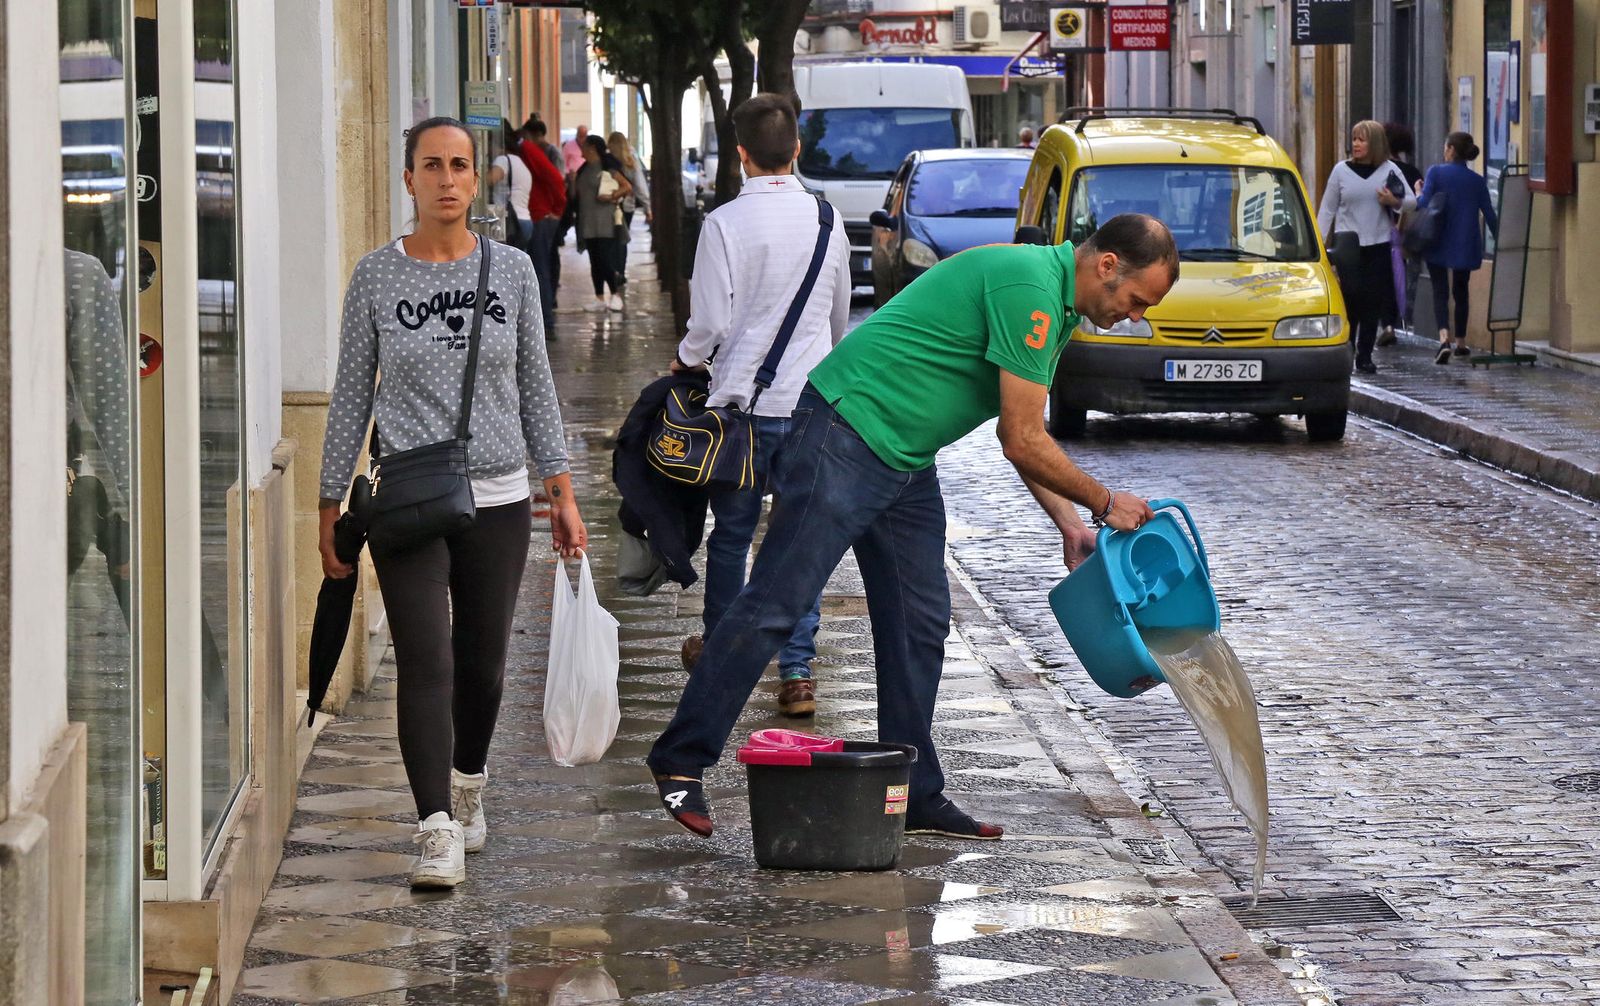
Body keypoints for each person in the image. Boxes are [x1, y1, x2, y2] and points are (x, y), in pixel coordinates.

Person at [647, 213, 1177, 841]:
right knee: (774, 607)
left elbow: (1022, 425)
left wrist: (1068, 523)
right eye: (1137, 301)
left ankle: (913, 791)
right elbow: (1022, 439)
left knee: (919, 622)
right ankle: (680, 757)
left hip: (902, 458)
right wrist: (1104, 500)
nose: (1136, 316)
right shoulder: (1031, 291)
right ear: (1108, 265)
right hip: (844, 437)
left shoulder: (1055, 302)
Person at [319, 116, 588, 889]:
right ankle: (433, 822)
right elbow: (348, 400)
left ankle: (470, 783)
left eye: (459, 166)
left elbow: (535, 386)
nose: (445, 179)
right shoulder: (375, 276)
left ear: (478, 180)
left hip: (500, 496)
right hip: (406, 497)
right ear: (408, 180)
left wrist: (560, 492)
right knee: (425, 661)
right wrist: (328, 504)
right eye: (430, 165)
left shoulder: (509, 273)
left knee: (486, 665)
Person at [672, 93, 852, 717]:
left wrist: (688, 357)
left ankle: (725, 651)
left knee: (732, 535)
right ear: (796, 148)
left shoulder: (723, 224)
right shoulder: (829, 223)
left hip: (742, 408)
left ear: (740, 154)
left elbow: (711, 321)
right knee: (800, 539)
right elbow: (836, 320)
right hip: (809, 407)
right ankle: (798, 672)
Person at [1317, 119, 1416, 374]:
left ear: (1375, 144)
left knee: (1372, 302)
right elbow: (1327, 210)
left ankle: (1365, 355)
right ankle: (1346, 351)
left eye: (1362, 140)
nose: (1356, 144)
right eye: (1354, 139)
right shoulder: (1341, 170)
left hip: (1378, 243)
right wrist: (1317, 244)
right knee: (1350, 300)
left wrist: (1392, 199)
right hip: (1347, 245)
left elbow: (1412, 202)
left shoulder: (1388, 169)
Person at [1417, 131, 1498, 364]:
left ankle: (1444, 339)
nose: (1444, 152)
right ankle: (1461, 342)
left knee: (1440, 291)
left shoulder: (1436, 172)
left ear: (1451, 149)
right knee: (1461, 292)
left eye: (1446, 148)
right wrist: (1502, 241)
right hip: (1465, 242)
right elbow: (1490, 215)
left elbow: (1422, 204)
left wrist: (1418, 190)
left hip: (1438, 239)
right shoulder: (1477, 180)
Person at [514, 120, 567, 338]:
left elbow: (554, 177)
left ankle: (546, 323)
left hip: (539, 216)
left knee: (540, 270)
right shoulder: (525, 149)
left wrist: (557, 208)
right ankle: (544, 321)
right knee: (540, 268)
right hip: (538, 214)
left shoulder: (526, 148)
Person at [574, 133, 633, 312]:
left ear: (592, 148)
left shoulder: (607, 167)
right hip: (587, 221)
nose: (580, 149)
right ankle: (599, 297)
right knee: (594, 261)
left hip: (605, 221)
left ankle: (615, 294)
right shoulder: (583, 169)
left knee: (605, 259)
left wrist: (612, 196)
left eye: (584, 146)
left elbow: (627, 186)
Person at [1379, 122, 1425, 345]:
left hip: (1389, 235)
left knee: (1386, 280)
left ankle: (1388, 324)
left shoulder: (1383, 170)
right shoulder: (1413, 171)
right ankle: (1404, 320)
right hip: (1414, 236)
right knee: (1408, 280)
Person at [607, 130, 652, 289]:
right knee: (622, 238)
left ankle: (616, 271)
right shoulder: (630, 162)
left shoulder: (610, 161)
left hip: (613, 205)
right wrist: (647, 207)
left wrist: (648, 207)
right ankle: (620, 271)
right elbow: (640, 186)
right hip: (628, 207)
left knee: (614, 239)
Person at [488, 121, 534, 253]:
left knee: (502, 265)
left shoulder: (502, 160)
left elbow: (488, 180)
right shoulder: (518, 162)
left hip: (509, 221)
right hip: (524, 220)